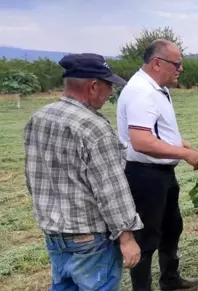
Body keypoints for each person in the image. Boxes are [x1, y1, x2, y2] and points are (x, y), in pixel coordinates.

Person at [23, 53, 143, 290]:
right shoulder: (93, 127)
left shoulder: (39, 118)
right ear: (93, 86)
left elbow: (32, 178)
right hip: (90, 238)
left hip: (54, 235)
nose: (110, 93)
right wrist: (127, 238)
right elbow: (111, 190)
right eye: (109, 86)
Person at [116, 39, 198, 291]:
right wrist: (183, 154)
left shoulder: (155, 88)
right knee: (147, 237)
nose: (180, 69)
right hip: (145, 176)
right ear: (157, 63)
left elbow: (155, 131)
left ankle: (170, 279)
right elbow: (142, 141)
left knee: (171, 227)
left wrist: (180, 143)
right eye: (176, 64)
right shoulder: (141, 92)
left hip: (161, 173)